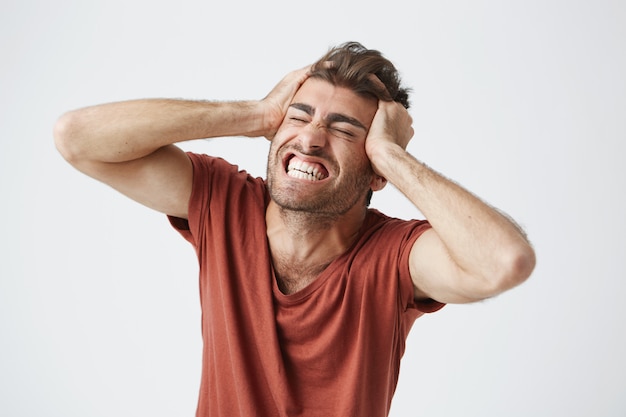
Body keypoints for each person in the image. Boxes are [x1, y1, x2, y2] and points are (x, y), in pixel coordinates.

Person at [54, 41, 536, 417]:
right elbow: (77, 138)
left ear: (375, 170)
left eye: (346, 130)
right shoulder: (224, 203)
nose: (309, 137)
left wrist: (392, 155)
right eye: (299, 116)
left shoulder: (393, 256)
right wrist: (257, 114)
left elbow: (504, 261)